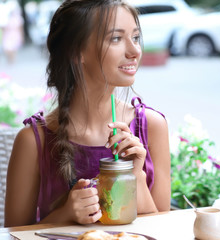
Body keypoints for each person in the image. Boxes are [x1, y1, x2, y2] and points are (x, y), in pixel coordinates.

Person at [4, 0, 171, 227]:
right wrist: (65, 214)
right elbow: (14, 233)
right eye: (116, 38)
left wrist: (134, 176)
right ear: (77, 51)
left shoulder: (152, 127)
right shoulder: (34, 141)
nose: (134, 51)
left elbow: (165, 229)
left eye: (135, 37)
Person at [1, 0, 24, 64]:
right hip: (7, 35)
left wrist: (22, 36)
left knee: (12, 48)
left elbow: (20, 28)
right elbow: (3, 28)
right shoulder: (5, 18)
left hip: (15, 35)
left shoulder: (17, 18)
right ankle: (10, 60)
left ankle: (11, 61)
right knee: (7, 48)